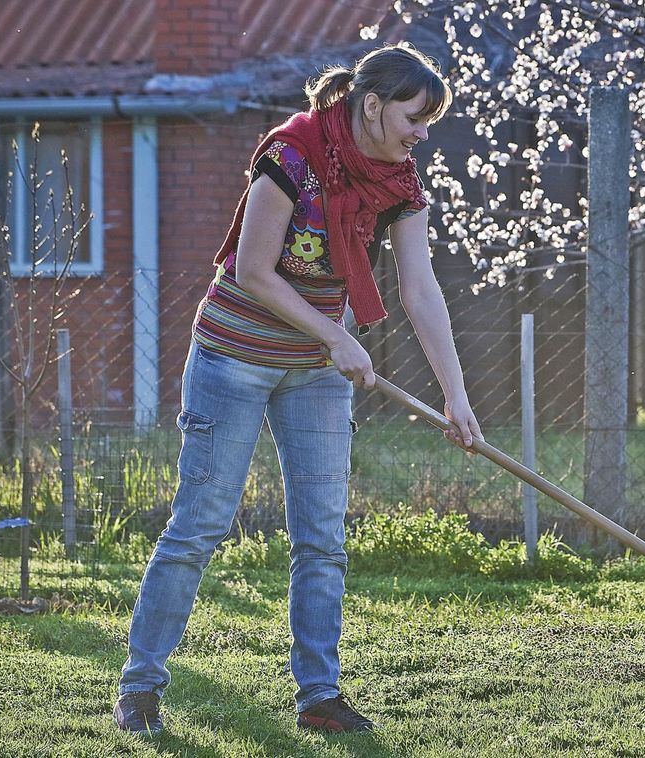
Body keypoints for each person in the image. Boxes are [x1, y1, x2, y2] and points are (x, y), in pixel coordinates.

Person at [114, 43, 482, 736]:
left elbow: (419, 288)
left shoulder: (398, 179)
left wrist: (455, 397)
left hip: (313, 372)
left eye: (430, 120)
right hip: (232, 358)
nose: (422, 132)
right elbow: (253, 269)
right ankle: (140, 688)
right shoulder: (291, 155)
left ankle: (319, 695)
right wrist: (338, 335)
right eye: (415, 115)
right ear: (372, 104)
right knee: (199, 527)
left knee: (321, 538)